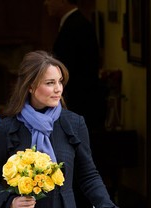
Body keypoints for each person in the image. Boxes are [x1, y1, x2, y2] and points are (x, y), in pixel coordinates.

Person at [0, 50, 122, 208]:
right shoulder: (7, 127)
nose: (58, 89)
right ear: (30, 86)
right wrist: (11, 201)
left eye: (60, 82)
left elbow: (88, 176)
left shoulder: (74, 124)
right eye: (49, 83)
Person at [44, 0, 107, 132]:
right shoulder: (73, 23)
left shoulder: (76, 26)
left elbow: (66, 68)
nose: (46, 3)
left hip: (79, 105)